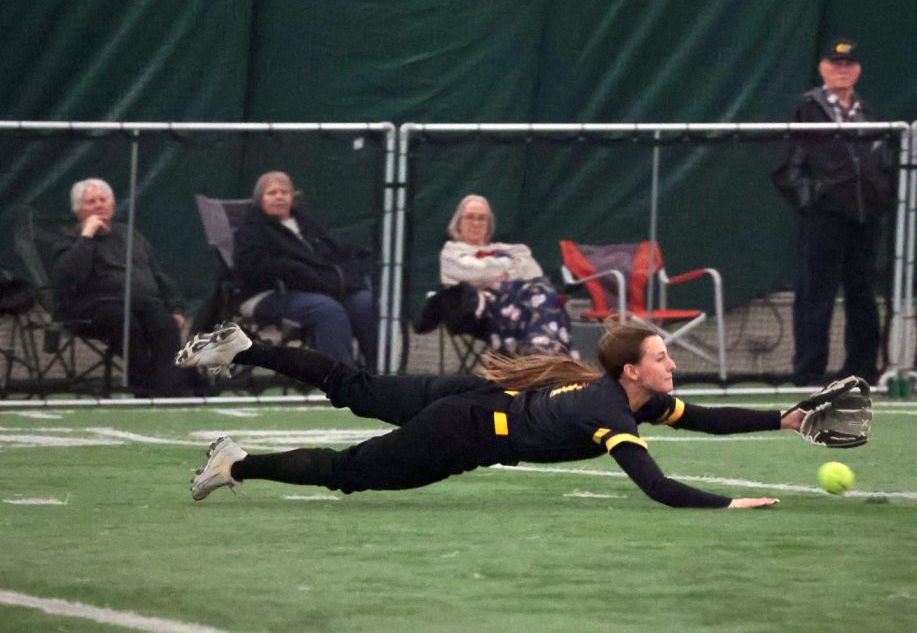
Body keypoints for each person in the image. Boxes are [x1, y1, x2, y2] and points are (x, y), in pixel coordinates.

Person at [177, 319, 815, 509]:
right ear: (630, 371)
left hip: (476, 400)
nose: (670, 363)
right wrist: (730, 503)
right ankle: (236, 462)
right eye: (659, 356)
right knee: (348, 472)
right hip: (463, 431)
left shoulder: (634, 398)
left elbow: (708, 418)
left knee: (354, 384)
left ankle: (245, 348)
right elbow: (659, 487)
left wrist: (785, 418)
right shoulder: (612, 414)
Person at [772, 38, 895, 386]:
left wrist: (879, 196)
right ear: (823, 68)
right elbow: (786, 167)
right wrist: (813, 199)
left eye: (848, 65)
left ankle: (862, 369)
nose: (842, 70)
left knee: (863, 293)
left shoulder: (867, 113)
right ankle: (809, 372)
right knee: (816, 292)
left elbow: (884, 162)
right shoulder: (806, 109)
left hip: (865, 218)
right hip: (823, 218)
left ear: (858, 70)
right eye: (835, 64)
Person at [52, 178, 193, 397]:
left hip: (143, 305)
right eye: (91, 202)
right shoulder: (69, 238)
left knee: (165, 324)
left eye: (103, 200)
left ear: (112, 204)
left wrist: (176, 307)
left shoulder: (130, 235)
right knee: (124, 320)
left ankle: (170, 390)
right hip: (93, 309)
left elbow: (158, 275)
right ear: (78, 209)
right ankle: (145, 386)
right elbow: (70, 276)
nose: (98, 205)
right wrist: (86, 236)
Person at [233, 171, 377, 369]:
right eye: (272, 193)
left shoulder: (306, 223)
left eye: (284, 192)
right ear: (260, 199)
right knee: (327, 310)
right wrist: (290, 268)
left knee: (365, 303)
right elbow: (248, 266)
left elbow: (330, 252)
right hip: (269, 292)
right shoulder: (251, 228)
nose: (279, 197)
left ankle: (378, 372)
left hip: (317, 287)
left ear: (292, 197)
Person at [440, 194, 577, 358]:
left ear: (488, 225)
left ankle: (538, 350)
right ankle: (545, 352)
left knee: (540, 291)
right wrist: (508, 267)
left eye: (482, 218)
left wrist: (498, 275)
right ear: (458, 223)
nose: (476, 223)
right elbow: (471, 273)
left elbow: (534, 272)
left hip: (522, 301)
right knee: (544, 299)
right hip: (479, 311)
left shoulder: (513, 250)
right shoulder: (452, 252)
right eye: (470, 217)